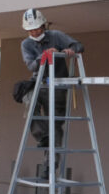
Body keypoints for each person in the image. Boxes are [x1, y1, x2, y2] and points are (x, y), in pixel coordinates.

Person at [19, 8, 83, 152]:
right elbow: (32, 66)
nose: (34, 33)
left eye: (36, 29)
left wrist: (70, 50)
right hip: (38, 84)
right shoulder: (26, 44)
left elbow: (79, 46)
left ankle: (51, 165)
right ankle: (43, 137)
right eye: (31, 30)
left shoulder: (56, 36)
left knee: (55, 124)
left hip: (58, 86)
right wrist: (44, 56)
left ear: (43, 25)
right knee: (30, 104)